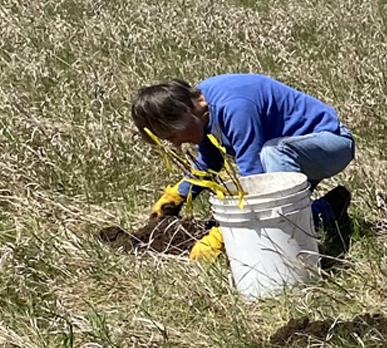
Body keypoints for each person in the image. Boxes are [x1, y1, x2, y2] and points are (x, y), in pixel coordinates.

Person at [131, 75, 354, 261]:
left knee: (273, 156)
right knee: (276, 174)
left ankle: (294, 241)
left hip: (331, 145)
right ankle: (327, 210)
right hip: (288, 160)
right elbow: (211, 161)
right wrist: (179, 195)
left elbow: (254, 180)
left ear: (186, 112)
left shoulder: (235, 106)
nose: (177, 145)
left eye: (173, 136)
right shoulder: (202, 111)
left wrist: (227, 234)